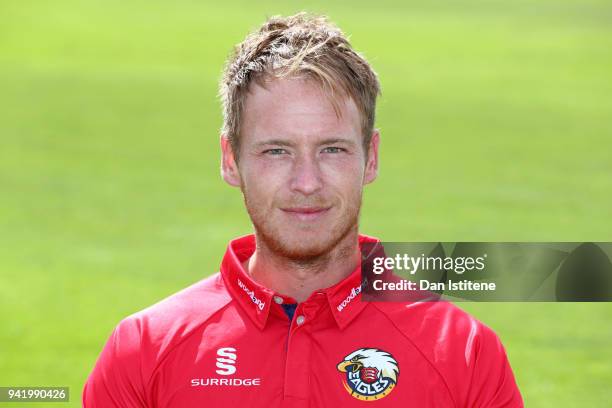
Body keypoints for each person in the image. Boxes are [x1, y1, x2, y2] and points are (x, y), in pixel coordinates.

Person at [82, 13, 523, 407]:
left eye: (332, 149)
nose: (306, 182)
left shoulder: (463, 352)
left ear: (370, 158)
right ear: (230, 160)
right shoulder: (144, 350)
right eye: (276, 151)